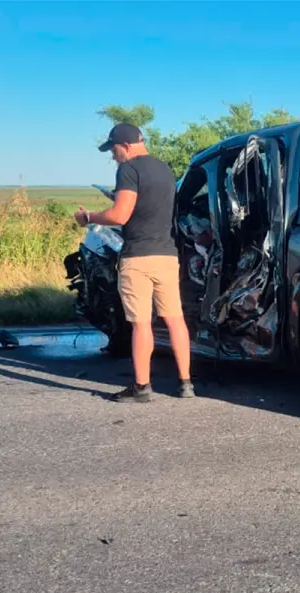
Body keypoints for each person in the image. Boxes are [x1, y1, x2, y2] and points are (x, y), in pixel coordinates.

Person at [74, 122, 194, 402]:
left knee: (141, 324)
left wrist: (88, 217)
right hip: (167, 255)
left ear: (126, 145)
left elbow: (120, 215)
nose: (112, 155)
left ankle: (142, 387)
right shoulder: (165, 170)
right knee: (175, 320)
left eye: (113, 149)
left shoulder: (128, 169)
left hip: (138, 258)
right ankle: (186, 384)